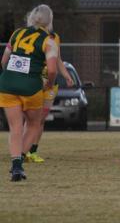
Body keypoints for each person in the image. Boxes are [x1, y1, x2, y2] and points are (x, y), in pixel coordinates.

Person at [0, 5, 58, 181]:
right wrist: (49, 84)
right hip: (31, 86)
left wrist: (11, 75)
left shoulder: (16, 33)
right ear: (49, 20)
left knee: (15, 127)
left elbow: (4, 60)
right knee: (34, 124)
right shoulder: (49, 40)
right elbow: (53, 70)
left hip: (7, 84)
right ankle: (17, 166)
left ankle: (16, 164)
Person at [25, 26, 75, 163]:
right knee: (31, 118)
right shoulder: (33, 36)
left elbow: (58, 59)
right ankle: (23, 151)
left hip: (51, 84)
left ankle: (33, 151)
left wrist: (66, 75)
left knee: (41, 119)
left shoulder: (55, 37)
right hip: (35, 81)